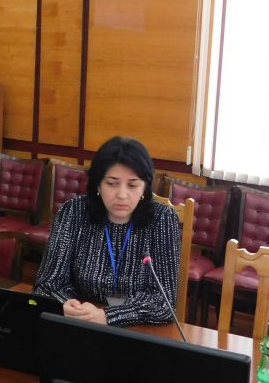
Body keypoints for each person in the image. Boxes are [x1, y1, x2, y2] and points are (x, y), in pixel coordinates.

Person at [32, 136, 180, 327]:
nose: (122, 195)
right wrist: (66, 304)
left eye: (132, 185)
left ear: (145, 187)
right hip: (80, 321)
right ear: (98, 185)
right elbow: (46, 284)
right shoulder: (74, 212)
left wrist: (109, 316)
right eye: (111, 183)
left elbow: (164, 302)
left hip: (137, 328)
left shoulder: (162, 219)